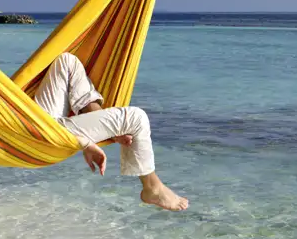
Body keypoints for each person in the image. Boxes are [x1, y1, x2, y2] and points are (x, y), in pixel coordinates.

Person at [34, 52, 188, 211]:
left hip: (30, 120)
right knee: (136, 118)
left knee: (67, 61)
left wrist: (91, 135)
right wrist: (84, 143)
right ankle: (151, 187)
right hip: (38, 133)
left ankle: (99, 121)